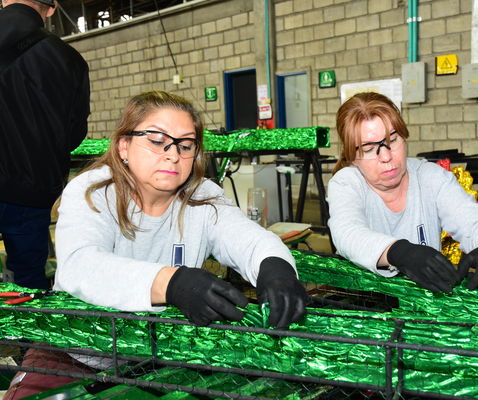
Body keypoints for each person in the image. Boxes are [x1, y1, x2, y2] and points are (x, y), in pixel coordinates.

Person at [4, 91, 307, 399]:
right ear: (124, 146)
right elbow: (80, 266)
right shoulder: (92, 191)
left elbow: (248, 239)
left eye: (185, 144)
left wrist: (276, 268)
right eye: (156, 139)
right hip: (74, 353)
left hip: (156, 357)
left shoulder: (203, 196)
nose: (172, 154)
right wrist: (170, 282)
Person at [327, 92, 478, 293]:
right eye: (369, 149)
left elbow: (477, 222)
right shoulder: (346, 183)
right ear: (352, 157)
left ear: (405, 137)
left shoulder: (431, 177)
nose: (386, 156)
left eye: (393, 139)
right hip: (366, 304)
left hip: (424, 307)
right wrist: (399, 252)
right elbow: (347, 233)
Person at [0, 0, 90, 289]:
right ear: (51, 8)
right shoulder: (71, 60)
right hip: (31, 192)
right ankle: (22, 334)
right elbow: (75, 134)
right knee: (26, 280)